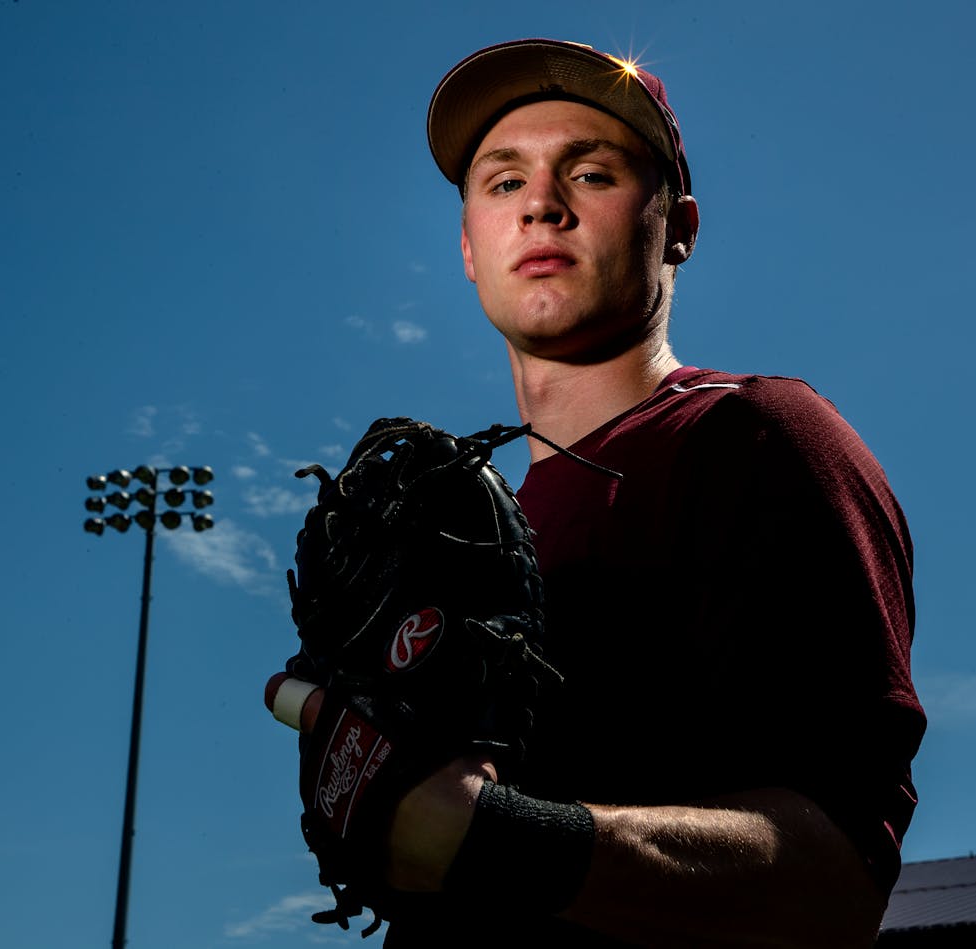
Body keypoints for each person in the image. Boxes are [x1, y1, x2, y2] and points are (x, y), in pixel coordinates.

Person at [276, 39, 924, 948]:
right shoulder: (462, 532)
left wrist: (495, 837)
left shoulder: (755, 435)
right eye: (503, 183)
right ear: (469, 247)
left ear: (681, 226)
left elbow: (839, 882)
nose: (541, 203)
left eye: (590, 171)